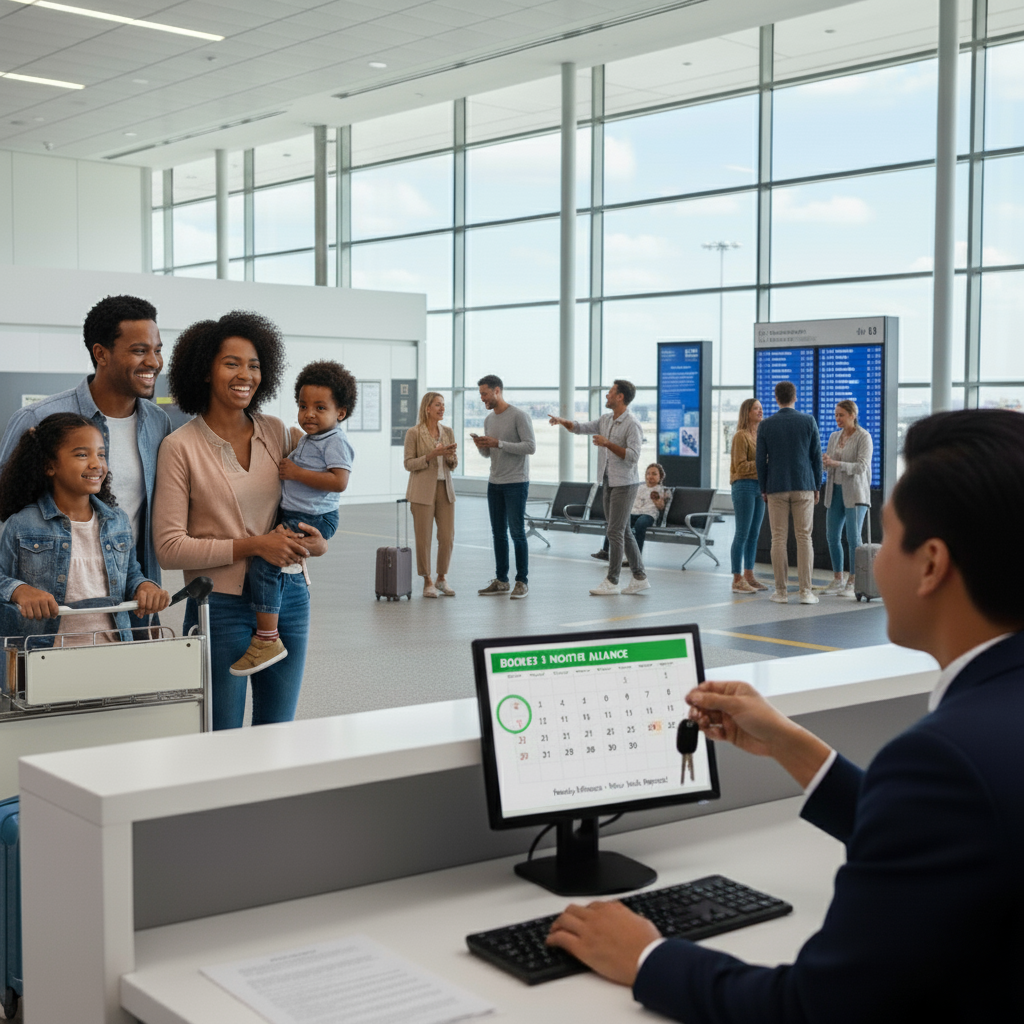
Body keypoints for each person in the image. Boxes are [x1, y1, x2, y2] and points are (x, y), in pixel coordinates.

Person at [546, 408, 1024, 1023]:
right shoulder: (982, 739)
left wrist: (647, 956)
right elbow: (958, 835)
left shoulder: (942, 762)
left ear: (930, 564)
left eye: (882, 536)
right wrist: (793, 746)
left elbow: (813, 1008)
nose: (871, 560)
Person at [153, 311, 329, 730]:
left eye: (253, 365)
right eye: (231, 363)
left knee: (277, 727)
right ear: (205, 370)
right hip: (220, 605)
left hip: (289, 596)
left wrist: (318, 541)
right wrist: (253, 546)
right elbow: (169, 546)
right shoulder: (180, 447)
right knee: (222, 733)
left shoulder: (279, 432)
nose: (245, 374)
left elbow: (316, 496)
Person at [0, 295, 170, 631]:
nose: (154, 361)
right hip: (44, 621)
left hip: (127, 611)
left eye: (157, 349)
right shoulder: (38, 418)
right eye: (139, 350)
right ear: (101, 353)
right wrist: (16, 590)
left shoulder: (158, 423)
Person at [0, 413, 169, 651]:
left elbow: (131, 575)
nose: (96, 464)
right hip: (45, 656)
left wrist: (145, 587)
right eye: (82, 454)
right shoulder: (23, 523)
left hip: (113, 651)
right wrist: (20, 591)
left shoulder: (117, 521)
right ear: (49, 465)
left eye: (101, 454)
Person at [230, 360, 356, 676]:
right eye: (302, 405)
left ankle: (267, 637)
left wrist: (297, 472)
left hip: (313, 517)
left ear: (340, 412)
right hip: (297, 513)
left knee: (265, 562)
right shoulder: (313, 439)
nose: (309, 413)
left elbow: (339, 481)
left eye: (320, 408)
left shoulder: (336, 441)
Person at [551, 380, 650, 596]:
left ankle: (612, 581)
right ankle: (640, 577)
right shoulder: (606, 419)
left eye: (610, 392)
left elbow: (633, 456)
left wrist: (607, 444)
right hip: (608, 482)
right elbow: (580, 427)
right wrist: (562, 421)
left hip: (625, 483)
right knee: (623, 530)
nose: (607, 395)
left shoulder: (632, 423)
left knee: (614, 531)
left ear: (620, 396)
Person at [755, 381, 822, 605]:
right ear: (795, 397)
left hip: (776, 486)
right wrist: (817, 486)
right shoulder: (808, 421)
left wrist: (763, 487)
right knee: (804, 537)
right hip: (804, 484)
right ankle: (805, 592)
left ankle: (781, 592)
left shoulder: (766, 425)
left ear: (776, 398)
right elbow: (816, 457)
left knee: (778, 538)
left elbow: (760, 461)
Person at [472, 375, 535, 600]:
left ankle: (522, 581)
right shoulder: (489, 420)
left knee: (517, 533)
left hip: (516, 483)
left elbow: (530, 447)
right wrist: (482, 445)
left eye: (485, 394)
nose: (482, 398)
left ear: (497, 391)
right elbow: (489, 453)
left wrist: (498, 443)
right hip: (495, 483)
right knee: (498, 533)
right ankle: (501, 580)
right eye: (480, 394)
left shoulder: (519, 416)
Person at [404, 391, 457, 598]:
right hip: (422, 492)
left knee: (447, 537)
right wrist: (431, 456)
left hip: (446, 490)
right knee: (423, 538)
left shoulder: (448, 432)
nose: (442, 408)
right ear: (427, 408)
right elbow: (408, 463)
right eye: (437, 405)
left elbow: (453, 465)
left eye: (443, 405)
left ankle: (442, 578)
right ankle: (427, 580)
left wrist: (451, 456)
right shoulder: (414, 433)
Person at [820, 399, 872, 598]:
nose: (837, 419)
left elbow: (861, 467)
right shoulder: (834, 436)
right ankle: (838, 578)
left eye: (841, 415)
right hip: (835, 492)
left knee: (853, 538)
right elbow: (829, 464)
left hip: (856, 494)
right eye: (836, 415)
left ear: (852, 415)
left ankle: (854, 579)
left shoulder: (863, 437)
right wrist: (825, 463)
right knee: (832, 536)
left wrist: (836, 463)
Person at [592, 462, 667, 563]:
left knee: (640, 525)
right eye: (648, 473)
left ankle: (635, 558)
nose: (650, 476)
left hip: (648, 514)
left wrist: (656, 500)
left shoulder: (661, 490)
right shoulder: (639, 486)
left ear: (660, 476)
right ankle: (606, 551)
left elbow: (661, 507)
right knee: (616, 523)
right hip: (633, 512)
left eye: (654, 474)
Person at [729, 399, 767, 594]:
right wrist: (763, 464)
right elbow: (741, 466)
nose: (760, 411)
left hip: (759, 487)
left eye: (761, 408)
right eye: (756, 408)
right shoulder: (740, 436)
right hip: (743, 486)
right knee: (742, 533)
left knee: (754, 535)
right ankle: (737, 579)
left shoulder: (761, 436)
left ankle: (749, 576)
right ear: (747, 412)